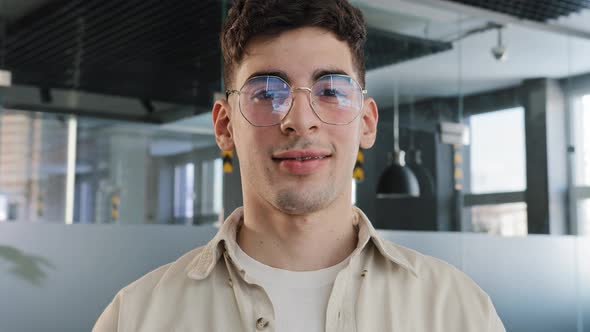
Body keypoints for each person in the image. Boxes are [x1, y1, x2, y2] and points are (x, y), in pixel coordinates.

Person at [93, 0, 506, 331]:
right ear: (224, 125)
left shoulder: (457, 310)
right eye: (267, 91)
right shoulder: (136, 317)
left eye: (330, 89)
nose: (300, 119)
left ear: (365, 122)